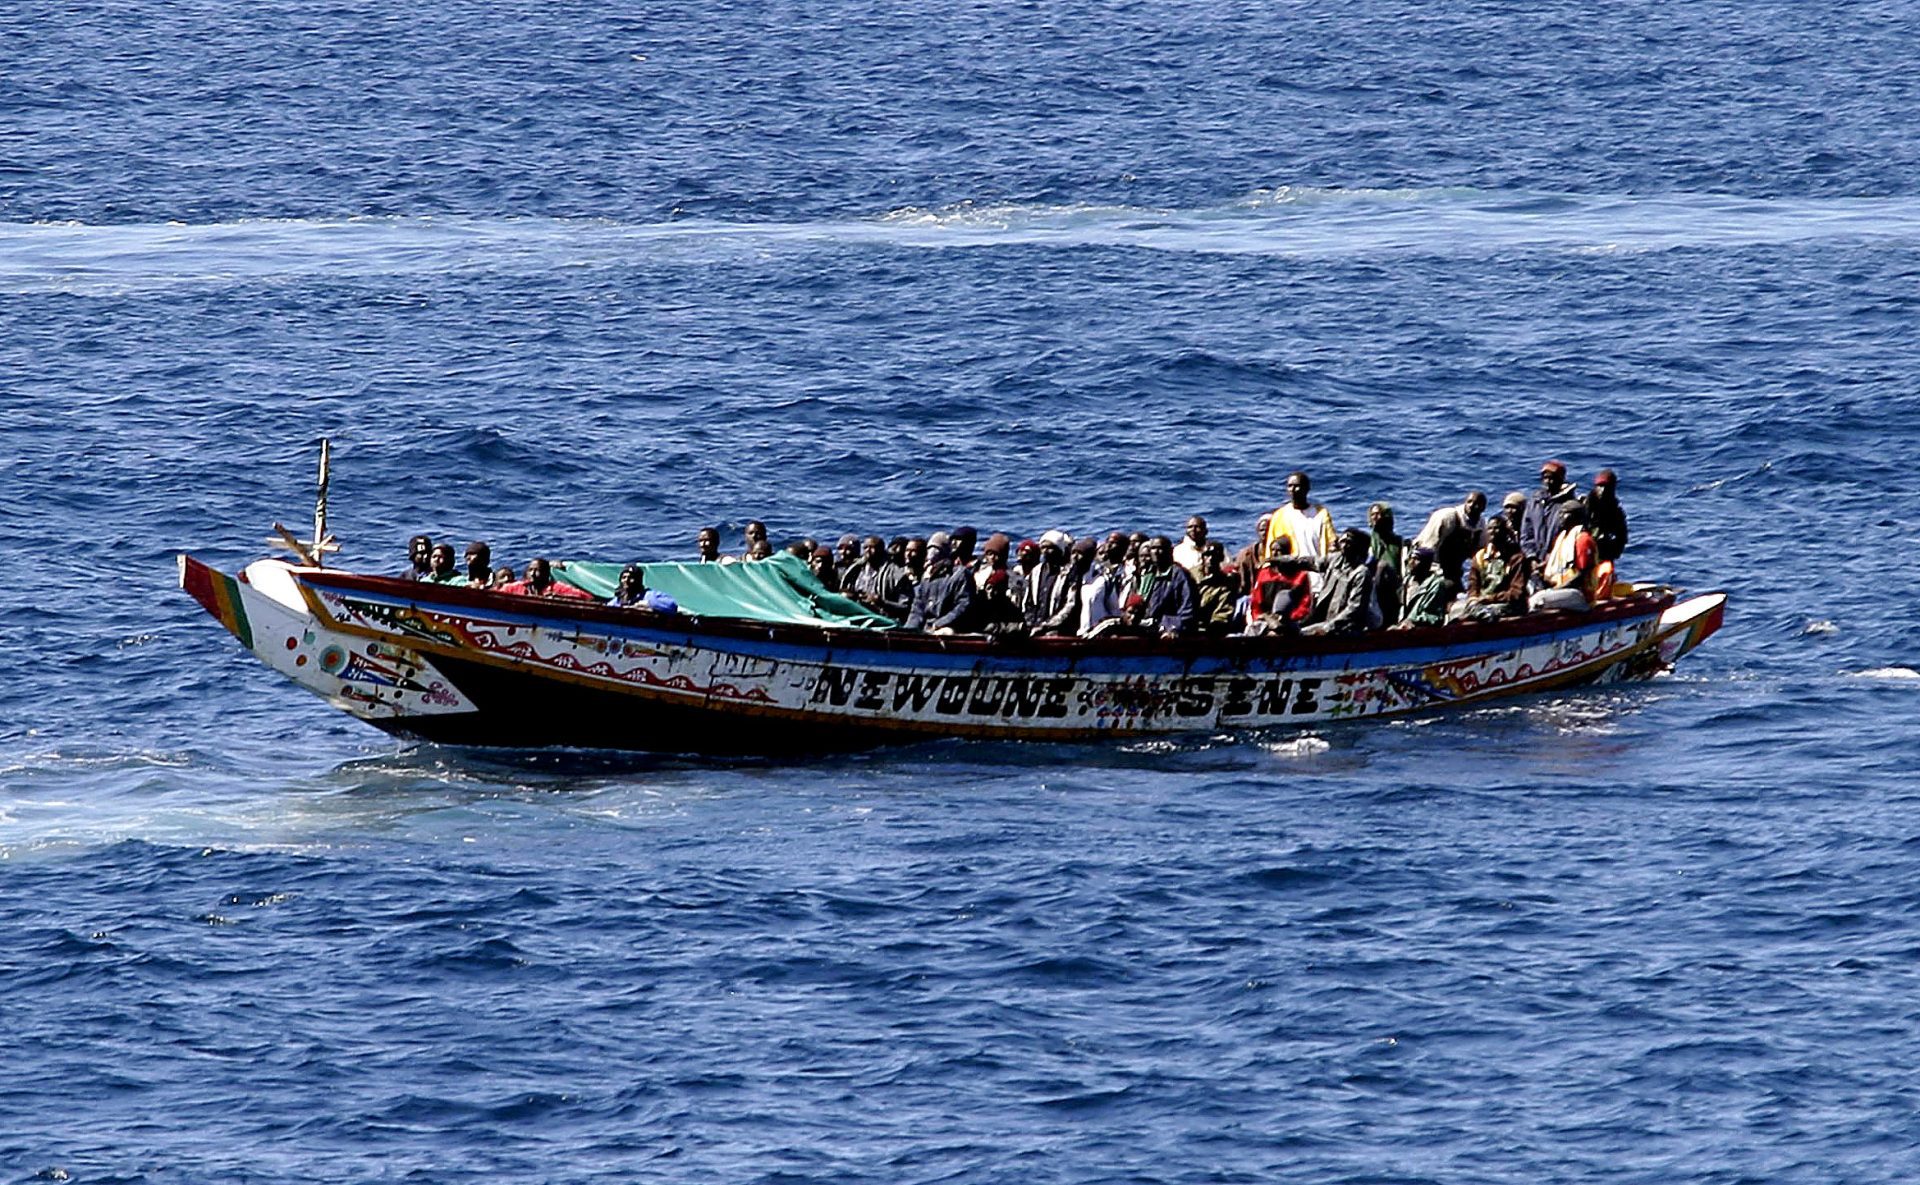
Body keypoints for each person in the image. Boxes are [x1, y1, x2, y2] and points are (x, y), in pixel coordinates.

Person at [1280, 528, 1374, 636]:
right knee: (1285, 628)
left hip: (1345, 627)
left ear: (1358, 547)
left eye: (1349, 542)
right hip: (1323, 620)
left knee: (1300, 634)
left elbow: (1354, 609)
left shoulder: (1361, 573)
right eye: (1342, 541)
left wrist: (1328, 627)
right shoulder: (1335, 560)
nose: (1344, 545)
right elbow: (1311, 562)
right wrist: (1284, 561)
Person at [1264, 472, 1337, 590]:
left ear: (1307, 489)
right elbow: (1271, 551)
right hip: (1291, 581)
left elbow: (1331, 543)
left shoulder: (1320, 514)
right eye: (1290, 486)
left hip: (1318, 579)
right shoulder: (1280, 516)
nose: (1293, 490)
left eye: (1297, 486)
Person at [1121, 536, 1198, 638]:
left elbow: (1188, 608)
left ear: (1170, 551)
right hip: (1149, 627)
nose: (1156, 552)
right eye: (1153, 548)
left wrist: (1176, 628)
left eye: (1160, 548)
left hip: (1170, 630)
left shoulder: (1179, 575)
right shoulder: (1149, 575)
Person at [1531, 503, 1603, 611]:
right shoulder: (1562, 538)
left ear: (1575, 516)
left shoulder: (1582, 540)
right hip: (1562, 589)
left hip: (1580, 594)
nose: (1559, 517)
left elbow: (1582, 575)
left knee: (1538, 600)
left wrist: (1557, 589)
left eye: (1563, 513)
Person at [1414, 490, 1487, 588]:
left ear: (1483, 508)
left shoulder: (1481, 526)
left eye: (1477, 503)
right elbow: (1428, 547)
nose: (1471, 505)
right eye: (1469, 501)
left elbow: (1479, 554)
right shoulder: (1447, 517)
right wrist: (1436, 572)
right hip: (1425, 565)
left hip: (1452, 570)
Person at [1465, 516, 1531, 619]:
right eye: (1490, 528)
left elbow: (1517, 593)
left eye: (1497, 528)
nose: (1493, 532)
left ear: (1505, 532)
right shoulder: (1480, 557)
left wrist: (1490, 598)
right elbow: (1473, 583)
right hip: (1483, 602)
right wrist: (1473, 598)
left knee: (1490, 613)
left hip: (1510, 604)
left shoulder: (1517, 558)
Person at [905, 546, 979, 635]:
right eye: (928, 561)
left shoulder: (960, 575)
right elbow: (917, 608)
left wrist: (940, 623)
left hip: (952, 628)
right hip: (928, 629)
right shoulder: (926, 579)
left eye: (933, 561)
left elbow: (964, 605)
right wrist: (910, 629)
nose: (929, 565)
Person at [1248, 538, 1312, 633]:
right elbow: (1256, 602)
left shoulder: (1300, 575)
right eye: (1273, 550)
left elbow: (1305, 603)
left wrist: (1289, 617)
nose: (1275, 553)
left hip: (1290, 620)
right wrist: (1261, 617)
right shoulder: (1264, 573)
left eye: (1279, 550)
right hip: (1266, 619)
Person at [1520, 461, 1579, 565]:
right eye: (1545, 478)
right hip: (1536, 562)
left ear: (1561, 480)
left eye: (1552, 478)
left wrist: (1552, 558)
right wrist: (1532, 557)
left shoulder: (1568, 505)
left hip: (1559, 562)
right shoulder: (1535, 502)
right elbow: (1526, 534)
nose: (1548, 482)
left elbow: (1571, 537)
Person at [1037, 538, 1094, 636]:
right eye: (1073, 553)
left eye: (1080, 553)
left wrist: (1048, 625)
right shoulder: (1066, 574)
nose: (1075, 557)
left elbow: (1070, 605)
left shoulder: (1095, 578)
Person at [847, 536, 913, 621]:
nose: (868, 550)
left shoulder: (897, 575)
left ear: (881, 550)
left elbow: (906, 608)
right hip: (859, 616)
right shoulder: (856, 571)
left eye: (872, 547)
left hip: (885, 620)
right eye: (865, 547)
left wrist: (882, 602)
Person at [1080, 532, 1130, 635]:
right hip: (1089, 624)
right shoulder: (1096, 569)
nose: (1109, 545)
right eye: (1108, 541)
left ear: (1123, 549)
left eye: (1114, 543)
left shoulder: (1126, 572)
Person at [1367, 503, 1406, 628]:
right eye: (1372, 515)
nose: (1375, 518)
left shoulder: (1400, 543)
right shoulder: (1367, 542)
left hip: (1394, 590)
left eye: (1379, 514)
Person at [1398, 546, 1456, 628]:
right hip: (1404, 626)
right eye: (1410, 558)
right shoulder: (1407, 581)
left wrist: (1413, 620)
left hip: (1423, 629)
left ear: (1426, 564)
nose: (1411, 562)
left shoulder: (1435, 584)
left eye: (1416, 559)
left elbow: (1435, 617)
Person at [1192, 541, 1239, 635]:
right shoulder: (1190, 575)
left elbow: (1224, 612)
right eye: (1207, 555)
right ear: (1202, 557)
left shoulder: (1226, 583)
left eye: (1215, 555)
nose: (1211, 559)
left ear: (1221, 558)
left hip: (1209, 628)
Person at [1584, 469, 1629, 563]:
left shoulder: (1616, 511)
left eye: (1607, 487)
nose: (1603, 490)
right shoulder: (1584, 507)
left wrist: (1611, 552)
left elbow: (1622, 537)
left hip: (1604, 556)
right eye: (1600, 486)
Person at [502, 558, 594, 599]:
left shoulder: (557, 588)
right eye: (530, 570)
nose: (533, 574)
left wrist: (560, 598)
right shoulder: (515, 588)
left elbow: (587, 598)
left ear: (546, 574)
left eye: (537, 570)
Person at [609, 564, 679, 615]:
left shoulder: (649, 596)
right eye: (624, 577)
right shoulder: (618, 600)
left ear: (638, 580)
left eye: (631, 577)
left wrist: (649, 604)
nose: (626, 580)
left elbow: (672, 606)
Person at [1233, 514, 1272, 596]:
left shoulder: (1280, 552)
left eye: (1269, 530)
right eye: (1262, 530)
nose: (1265, 533)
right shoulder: (1246, 555)